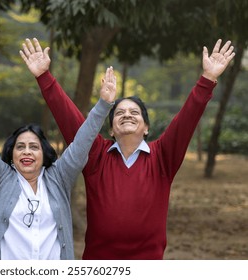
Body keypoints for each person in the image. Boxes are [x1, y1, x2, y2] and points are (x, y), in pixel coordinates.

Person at [20, 38, 235, 259]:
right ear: (111, 130)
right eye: (120, 113)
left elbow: (186, 120)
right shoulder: (96, 156)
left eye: (134, 112)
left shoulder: (162, 158)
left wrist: (208, 79)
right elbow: (71, 121)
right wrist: (44, 77)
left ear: (146, 128)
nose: (127, 115)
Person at [0, 64, 116, 259]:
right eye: (20, 147)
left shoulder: (59, 177)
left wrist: (103, 105)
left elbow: (82, 142)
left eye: (34, 147)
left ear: (44, 153)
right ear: (12, 152)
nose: (27, 152)